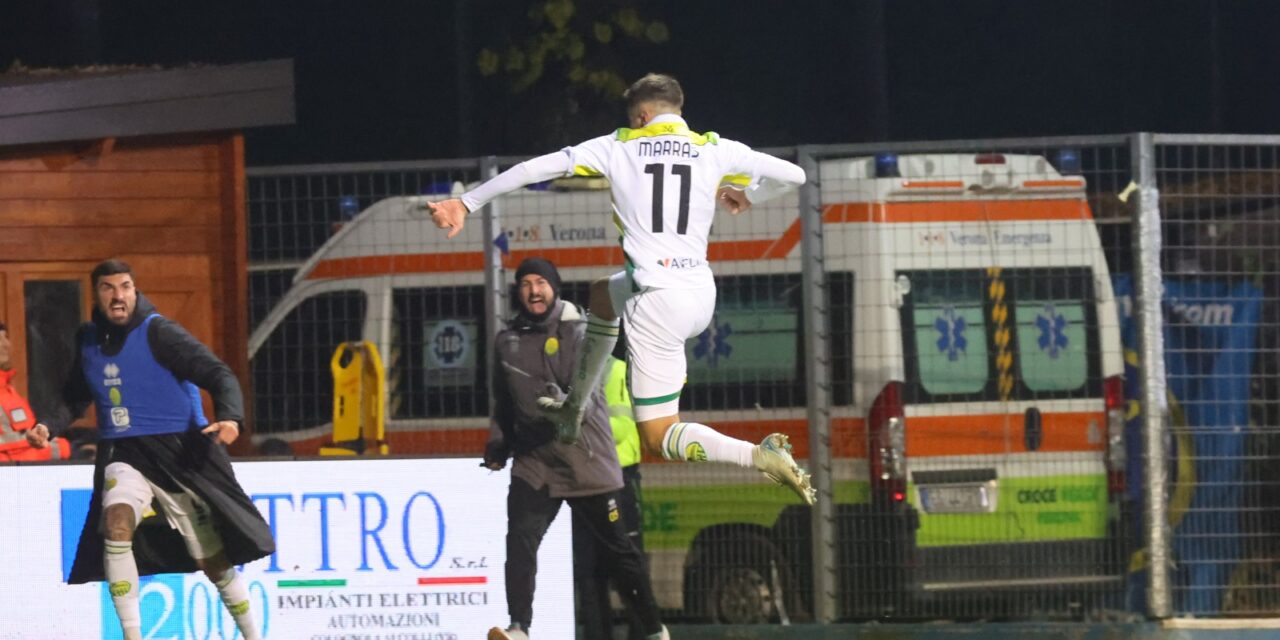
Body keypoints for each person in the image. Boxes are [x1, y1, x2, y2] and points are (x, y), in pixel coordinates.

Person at [428, 72, 815, 506]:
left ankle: (758, 456)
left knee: (657, 434)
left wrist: (466, 202)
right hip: (697, 292)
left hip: (656, 302)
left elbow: (533, 168)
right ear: (678, 111)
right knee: (601, 297)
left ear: (642, 115)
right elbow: (795, 175)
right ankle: (575, 408)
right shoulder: (713, 146)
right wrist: (749, 197)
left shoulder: (618, 145)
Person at [39, 259, 274, 640]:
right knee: (115, 525)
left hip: (177, 453)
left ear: (135, 290)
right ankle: (133, 635)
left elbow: (219, 374)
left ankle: (253, 634)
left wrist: (231, 418)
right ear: (96, 294)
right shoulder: (87, 339)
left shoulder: (159, 332)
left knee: (211, 559)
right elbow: (75, 396)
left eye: (126, 287)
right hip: (122, 452)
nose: (118, 296)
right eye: (109, 288)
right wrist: (47, 426)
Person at [485, 257, 667, 640]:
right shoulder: (506, 341)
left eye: (541, 282)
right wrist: (499, 445)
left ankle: (653, 630)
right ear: (517, 291)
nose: (534, 290)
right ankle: (519, 627)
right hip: (535, 461)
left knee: (620, 555)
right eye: (526, 283)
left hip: (587, 460)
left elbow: (577, 393)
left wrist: (555, 401)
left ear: (556, 288)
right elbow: (503, 402)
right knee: (520, 538)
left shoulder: (583, 332)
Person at [574, 335, 647, 640]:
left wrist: (576, 427)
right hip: (586, 480)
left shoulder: (618, 370)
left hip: (619, 477)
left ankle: (643, 633)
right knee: (590, 572)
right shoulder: (575, 375)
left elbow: (617, 429)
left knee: (628, 565)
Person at [0, 320, 72, 461]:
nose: (6, 345)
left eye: (6, 337)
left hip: (29, 475)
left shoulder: (9, 391)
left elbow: (29, 435)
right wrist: (61, 449)